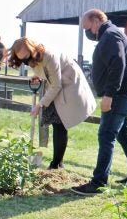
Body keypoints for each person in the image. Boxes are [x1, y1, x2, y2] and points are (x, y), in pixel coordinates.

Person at [71, 9, 127, 195]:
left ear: (96, 21)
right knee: (122, 133)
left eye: (87, 27)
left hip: (120, 95)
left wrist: (109, 95)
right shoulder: (110, 34)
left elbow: (118, 64)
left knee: (106, 135)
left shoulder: (110, 36)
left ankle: (99, 182)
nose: (87, 32)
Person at [8, 37, 96, 169]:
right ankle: (57, 163)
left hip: (69, 86)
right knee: (56, 124)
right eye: (21, 59)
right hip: (57, 87)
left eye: (26, 57)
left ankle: (56, 164)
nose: (25, 62)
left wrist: (39, 105)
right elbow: (45, 73)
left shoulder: (49, 55)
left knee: (60, 125)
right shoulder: (33, 58)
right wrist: (37, 77)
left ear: (32, 49)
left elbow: (56, 85)